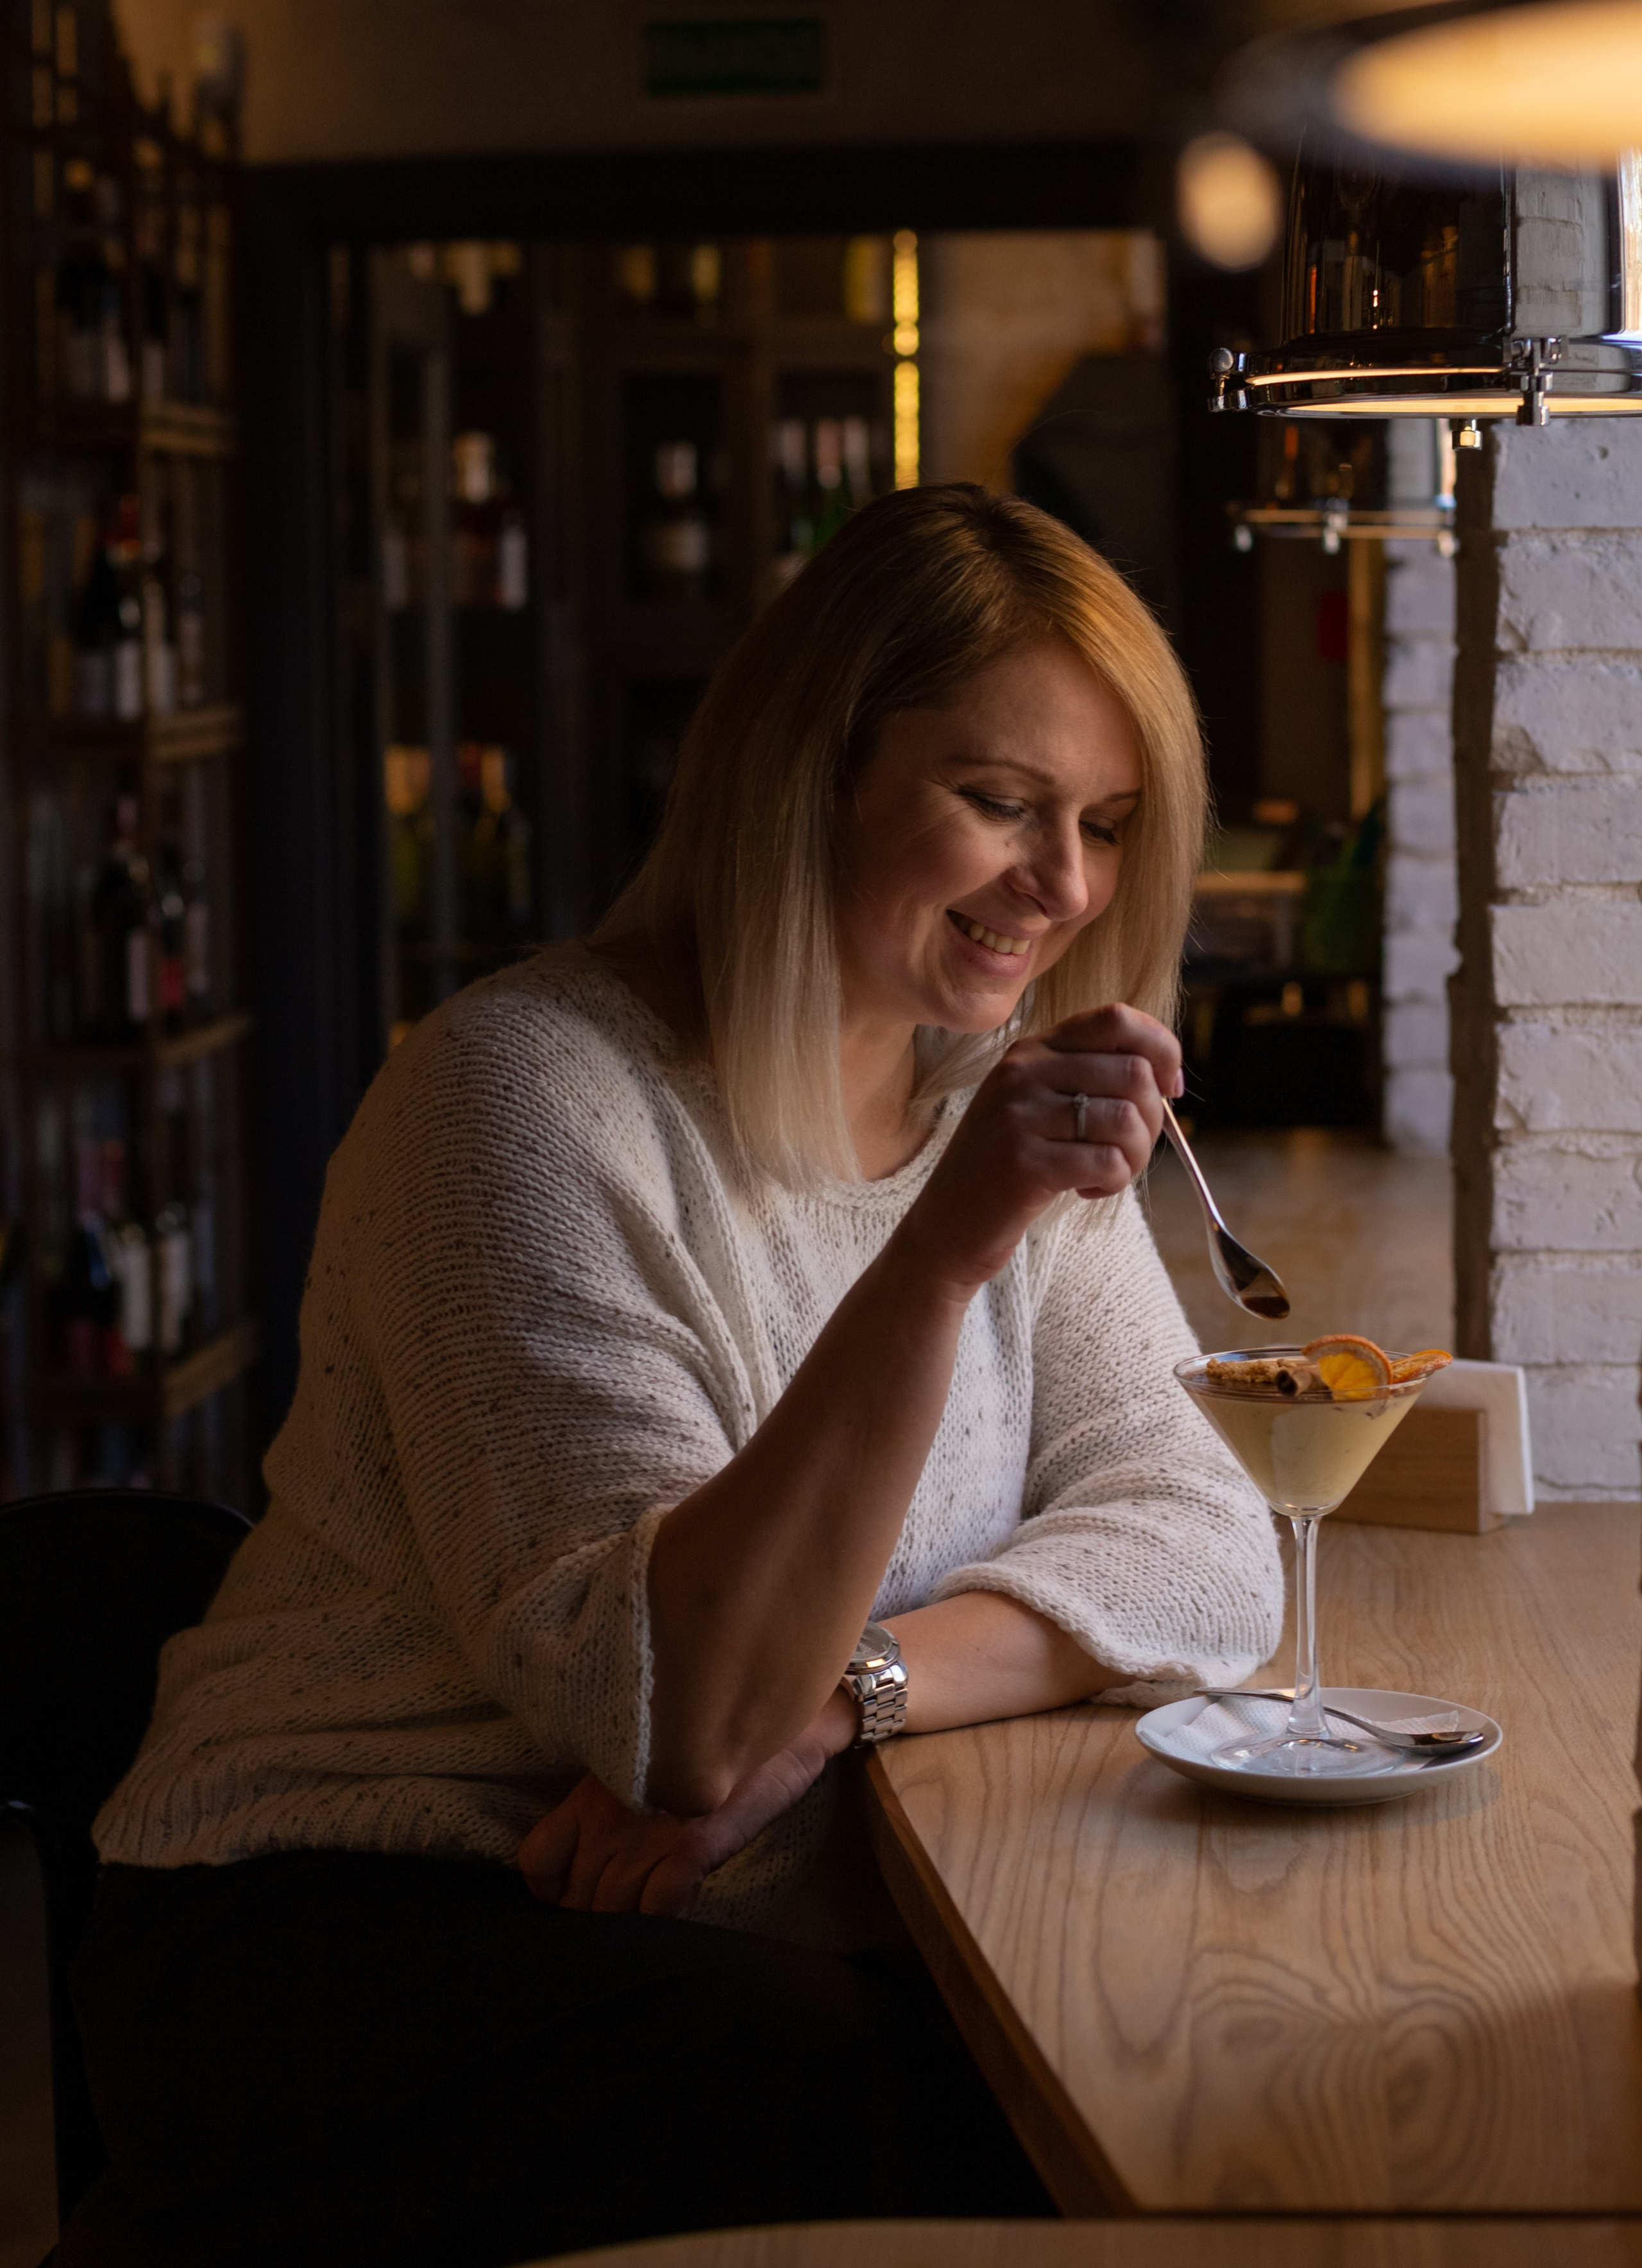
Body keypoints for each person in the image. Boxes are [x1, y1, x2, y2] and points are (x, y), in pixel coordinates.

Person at [64, 485, 1283, 2267]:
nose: (1070, 888)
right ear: (813, 776)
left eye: (1102, 824)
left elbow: (1206, 1543)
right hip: (351, 1913)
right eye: (1001, 803)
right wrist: (944, 1252)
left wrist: (848, 1694)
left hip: (713, 1910)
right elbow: (671, 1715)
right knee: (971, 2111)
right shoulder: (523, 1099)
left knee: (1130, 2050)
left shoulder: (979, 1094)